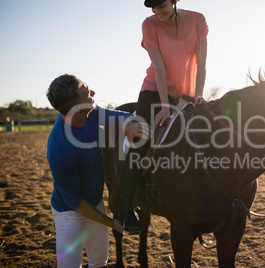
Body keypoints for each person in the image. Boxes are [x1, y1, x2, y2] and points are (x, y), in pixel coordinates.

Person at [118, 0, 208, 233]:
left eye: (162, 6)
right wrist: (165, 106)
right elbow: (158, 66)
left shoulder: (198, 20)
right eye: (153, 8)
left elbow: (202, 63)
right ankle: (126, 208)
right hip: (153, 91)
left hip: (187, 94)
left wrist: (198, 95)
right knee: (142, 138)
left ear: (175, 1)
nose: (157, 12)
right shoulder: (149, 24)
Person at [46, 74, 151, 268]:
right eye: (87, 91)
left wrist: (129, 124)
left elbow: (121, 115)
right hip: (70, 213)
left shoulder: (90, 113)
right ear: (75, 105)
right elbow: (75, 201)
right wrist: (110, 222)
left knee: (99, 262)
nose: (93, 92)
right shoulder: (61, 147)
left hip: (95, 203)